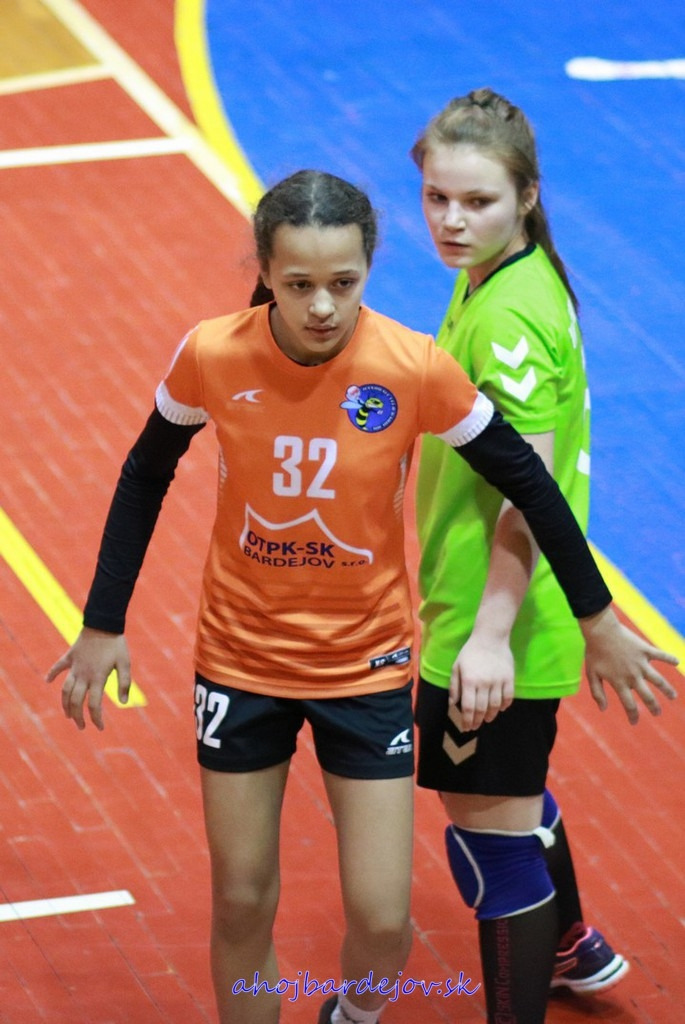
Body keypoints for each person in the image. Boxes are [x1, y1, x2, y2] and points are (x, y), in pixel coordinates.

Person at [46, 169, 675, 1024]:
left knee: (382, 923)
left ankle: (351, 1014)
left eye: (343, 284)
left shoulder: (411, 366)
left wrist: (595, 616)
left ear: (369, 268)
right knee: (240, 899)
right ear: (265, 272)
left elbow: (530, 481)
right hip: (239, 663)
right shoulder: (212, 353)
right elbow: (144, 471)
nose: (321, 307)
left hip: (366, 670)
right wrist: (102, 621)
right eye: (298, 284)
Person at [411, 88, 678, 1023]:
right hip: (502, 606)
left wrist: (488, 635)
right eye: (436, 197)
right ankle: (570, 945)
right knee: (511, 801)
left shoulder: (508, 319)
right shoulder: (504, 273)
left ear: (526, 196)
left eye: (476, 201)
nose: (450, 220)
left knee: (490, 847)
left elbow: (530, 494)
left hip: (497, 619)